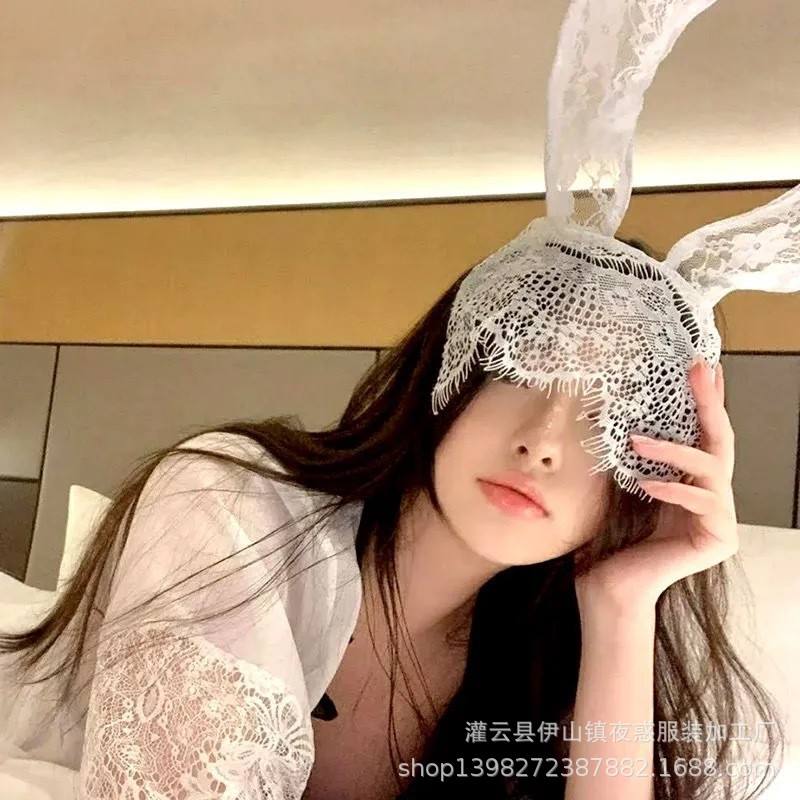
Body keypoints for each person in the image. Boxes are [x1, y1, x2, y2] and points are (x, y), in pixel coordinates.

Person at [0, 237, 785, 800]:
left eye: (612, 415)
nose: (543, 441)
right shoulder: (228, 501)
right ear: (449, 364)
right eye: (519, 368)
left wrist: (621, 608)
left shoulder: (546, 662)